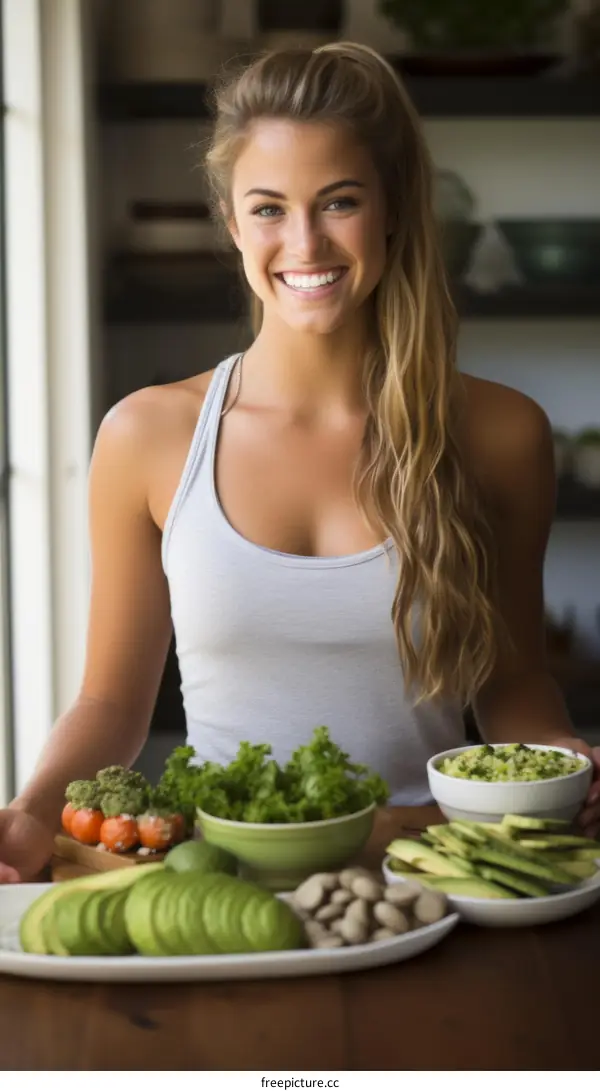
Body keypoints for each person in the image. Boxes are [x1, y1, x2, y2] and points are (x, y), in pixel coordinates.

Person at [1, 42, 598, 882]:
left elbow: (513, 677)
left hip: (432, 870)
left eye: (340, 201)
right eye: (270, 207)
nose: (305, 241)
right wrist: (29, 811)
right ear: (231, 219)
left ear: (391, 208)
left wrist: (559, 759)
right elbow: (110, 703)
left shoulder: (500, 434)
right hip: (223, 885)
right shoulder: (148, 436)